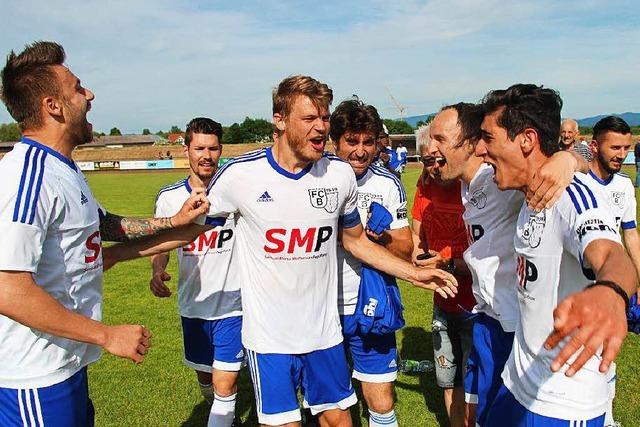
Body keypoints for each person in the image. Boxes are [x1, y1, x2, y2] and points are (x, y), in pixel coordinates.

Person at [107, 75, 458, 427]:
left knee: (340, 421)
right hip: (270, 340)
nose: (321, 128)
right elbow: (187, 233)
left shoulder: (338, 175)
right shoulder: (240, 175)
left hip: (325, 336)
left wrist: (415, 272)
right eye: (309, 119)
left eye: (324, 117)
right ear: (280, 119)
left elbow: (355, 241)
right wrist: (115, 256)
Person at [0, 41, 208, 426]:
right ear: (53, 106)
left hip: (66, 367)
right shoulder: (27, 176)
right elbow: (8, 288)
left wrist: (173, 224)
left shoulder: (63, 169)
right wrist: (106, 335)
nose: (89, 94)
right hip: (34, 379)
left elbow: (104, 226)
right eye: (78, 87)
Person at [476, 83, 637, 427]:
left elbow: (610, 254)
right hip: (517, 383)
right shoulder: (530, 190)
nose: (480, 150)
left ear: (526, 139)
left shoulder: (571, 197)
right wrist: (571, 158)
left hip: (561, 404)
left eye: (488, 138)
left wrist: (612, 292)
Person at [150, 117, 242, 426]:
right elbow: (160, 244)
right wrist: (157, 271)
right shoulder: (169, 198)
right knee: (206, 378)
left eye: (213, 148)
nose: (207, 155)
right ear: (186, 149)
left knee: (225, 383)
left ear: (221, 150)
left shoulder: (235, 194)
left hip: (234, 304)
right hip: (194, 305)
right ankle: (221, 410)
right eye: (199, 148)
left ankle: (224, 414)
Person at [330, 99, 412, 427]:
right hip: (320, 307)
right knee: (330, 405)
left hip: (371, 305)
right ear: (336, 141)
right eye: (352, 141)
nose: (361, 151)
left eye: (368, 142)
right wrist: (352, 236)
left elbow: (406, 247)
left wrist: (382, 239)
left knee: (380, 399)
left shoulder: (386, 183)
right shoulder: (315, 179)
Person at [411, 122, 475, 427]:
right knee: (449, 381)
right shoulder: (424, 186)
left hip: (478, 306)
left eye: (440, 159)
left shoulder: (476, 185)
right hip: (444, 304)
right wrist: (419, 260)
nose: (436, 167)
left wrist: (447, 263)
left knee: (475, 384)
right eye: (428, 161)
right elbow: (416, 240)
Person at [584, 115, 640, 426]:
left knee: (608, 352)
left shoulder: (623, 185)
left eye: (626, 148)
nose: (621, 154)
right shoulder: (576, 184)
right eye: (614, 147)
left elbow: (630, 232)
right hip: (579, 283)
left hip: (613, 284)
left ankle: (606, 417)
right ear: (594, 146)